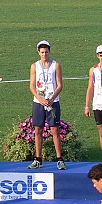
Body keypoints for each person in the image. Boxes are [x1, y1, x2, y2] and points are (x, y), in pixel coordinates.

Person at [28, 40, 66, 170]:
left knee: (54, 130)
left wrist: (51, 98)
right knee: (38, 130)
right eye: (42, 52)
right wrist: (39, 98)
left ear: (49, 52)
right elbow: (32, 86)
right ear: (38, 52)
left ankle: (59, 159)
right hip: (38, 103)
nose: (44, 54)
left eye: (46, 52)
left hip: (52, 102)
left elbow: (60, 85)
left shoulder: (56, 65)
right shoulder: (34, 66)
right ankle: (38, 159)